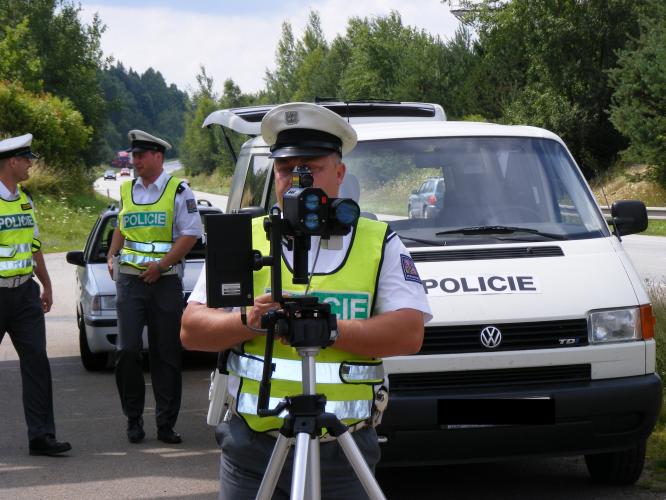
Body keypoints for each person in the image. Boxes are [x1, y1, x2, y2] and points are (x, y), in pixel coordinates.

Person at [181, 103, 432, 499]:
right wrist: (250, 320)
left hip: (342, 448)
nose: (297, 179)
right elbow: (192, 330)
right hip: (255, 446)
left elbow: (409, 334)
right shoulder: (243, 237)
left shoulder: (377, 241)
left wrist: (329, 330)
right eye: (285, 169)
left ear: (340, 172)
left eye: (311, 167)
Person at [107, 130, 203, 444]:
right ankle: (133, 420)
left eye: (140, 156)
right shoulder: (125, 189)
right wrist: (111, 255)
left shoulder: (179, 190)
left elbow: (190, 235)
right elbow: (121, 226)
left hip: (165, 282)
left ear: (157, 157)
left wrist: (160, 266)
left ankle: (165, 424)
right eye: (133, 156)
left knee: (166, 354)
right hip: (131, 281)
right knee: (127, 351)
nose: (135, 161)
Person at [0, 133, 71, 456]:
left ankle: (41, 436)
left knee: (37, 365)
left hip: (25, 295)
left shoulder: (25, 201)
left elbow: (34, 246)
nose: (31, 164)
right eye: (26, 159)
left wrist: (47, 284)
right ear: (11, 162)